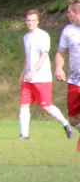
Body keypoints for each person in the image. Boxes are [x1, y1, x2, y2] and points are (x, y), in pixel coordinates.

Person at [17, 9, 72, 140]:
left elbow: (44, 55)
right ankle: (24, 134)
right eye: (28, 20)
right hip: (28, 79)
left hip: (41, 78)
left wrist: (33, 71)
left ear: (38, 21)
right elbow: (28, 57)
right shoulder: (26, 37)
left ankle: (65, 124)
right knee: (24, 104)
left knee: (46, 106)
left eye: (33, 20)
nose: (30, 23)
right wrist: (23, 73)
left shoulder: (42, 35)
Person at [54, 0, 80, 151]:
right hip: (74, 82)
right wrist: (58, 67)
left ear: (77, 13)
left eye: (69, 11)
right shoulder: (68, 30)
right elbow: (60, 53)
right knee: (73, 119)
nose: (67, 14)